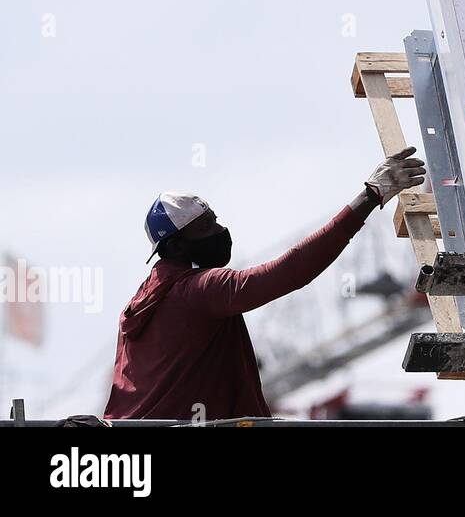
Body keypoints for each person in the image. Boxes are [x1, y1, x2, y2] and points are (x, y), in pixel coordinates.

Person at [103, 147, 426, 421]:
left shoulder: (141, 303)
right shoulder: (197, 291)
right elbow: (289, 272)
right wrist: (369, 197)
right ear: (175, 246)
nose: (219, 230)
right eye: (204, 227)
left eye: (215, 219)